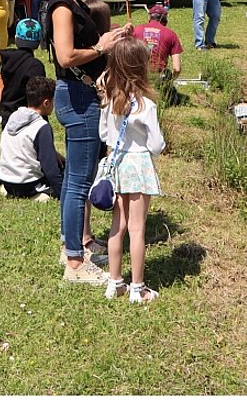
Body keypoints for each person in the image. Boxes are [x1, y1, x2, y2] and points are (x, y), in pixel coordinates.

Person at [46, 0, 133, 285]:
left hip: (77, 94)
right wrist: (101, 46)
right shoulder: (62, 7)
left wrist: (106, 39)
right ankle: (75, 263)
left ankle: (73, 244)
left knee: (73, 182)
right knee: (79, 184)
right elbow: (66, 57)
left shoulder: (68, 2)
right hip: (78, 97)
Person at [100, 36, 166, 304]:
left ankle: (115, 282)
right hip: (138, 165)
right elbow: (157, 144)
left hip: (117, 166)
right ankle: (138, 288)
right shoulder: (146, 105)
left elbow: (104, 134)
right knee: (138, 230)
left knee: (118, 227)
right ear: (141, 67)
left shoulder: (109, 101)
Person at [0, 17, 46, 120]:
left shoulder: (7, 61)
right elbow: (38, 96)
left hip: (8, 116)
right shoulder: (35, 66)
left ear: (16, 38)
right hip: (28, 118)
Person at [135, 2, 183, 96]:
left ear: (149, 17)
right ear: (165, 19)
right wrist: (169, 82)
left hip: (135, 74)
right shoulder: (171, 35)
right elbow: (177, 68)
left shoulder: (136, 30)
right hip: (157, 74)